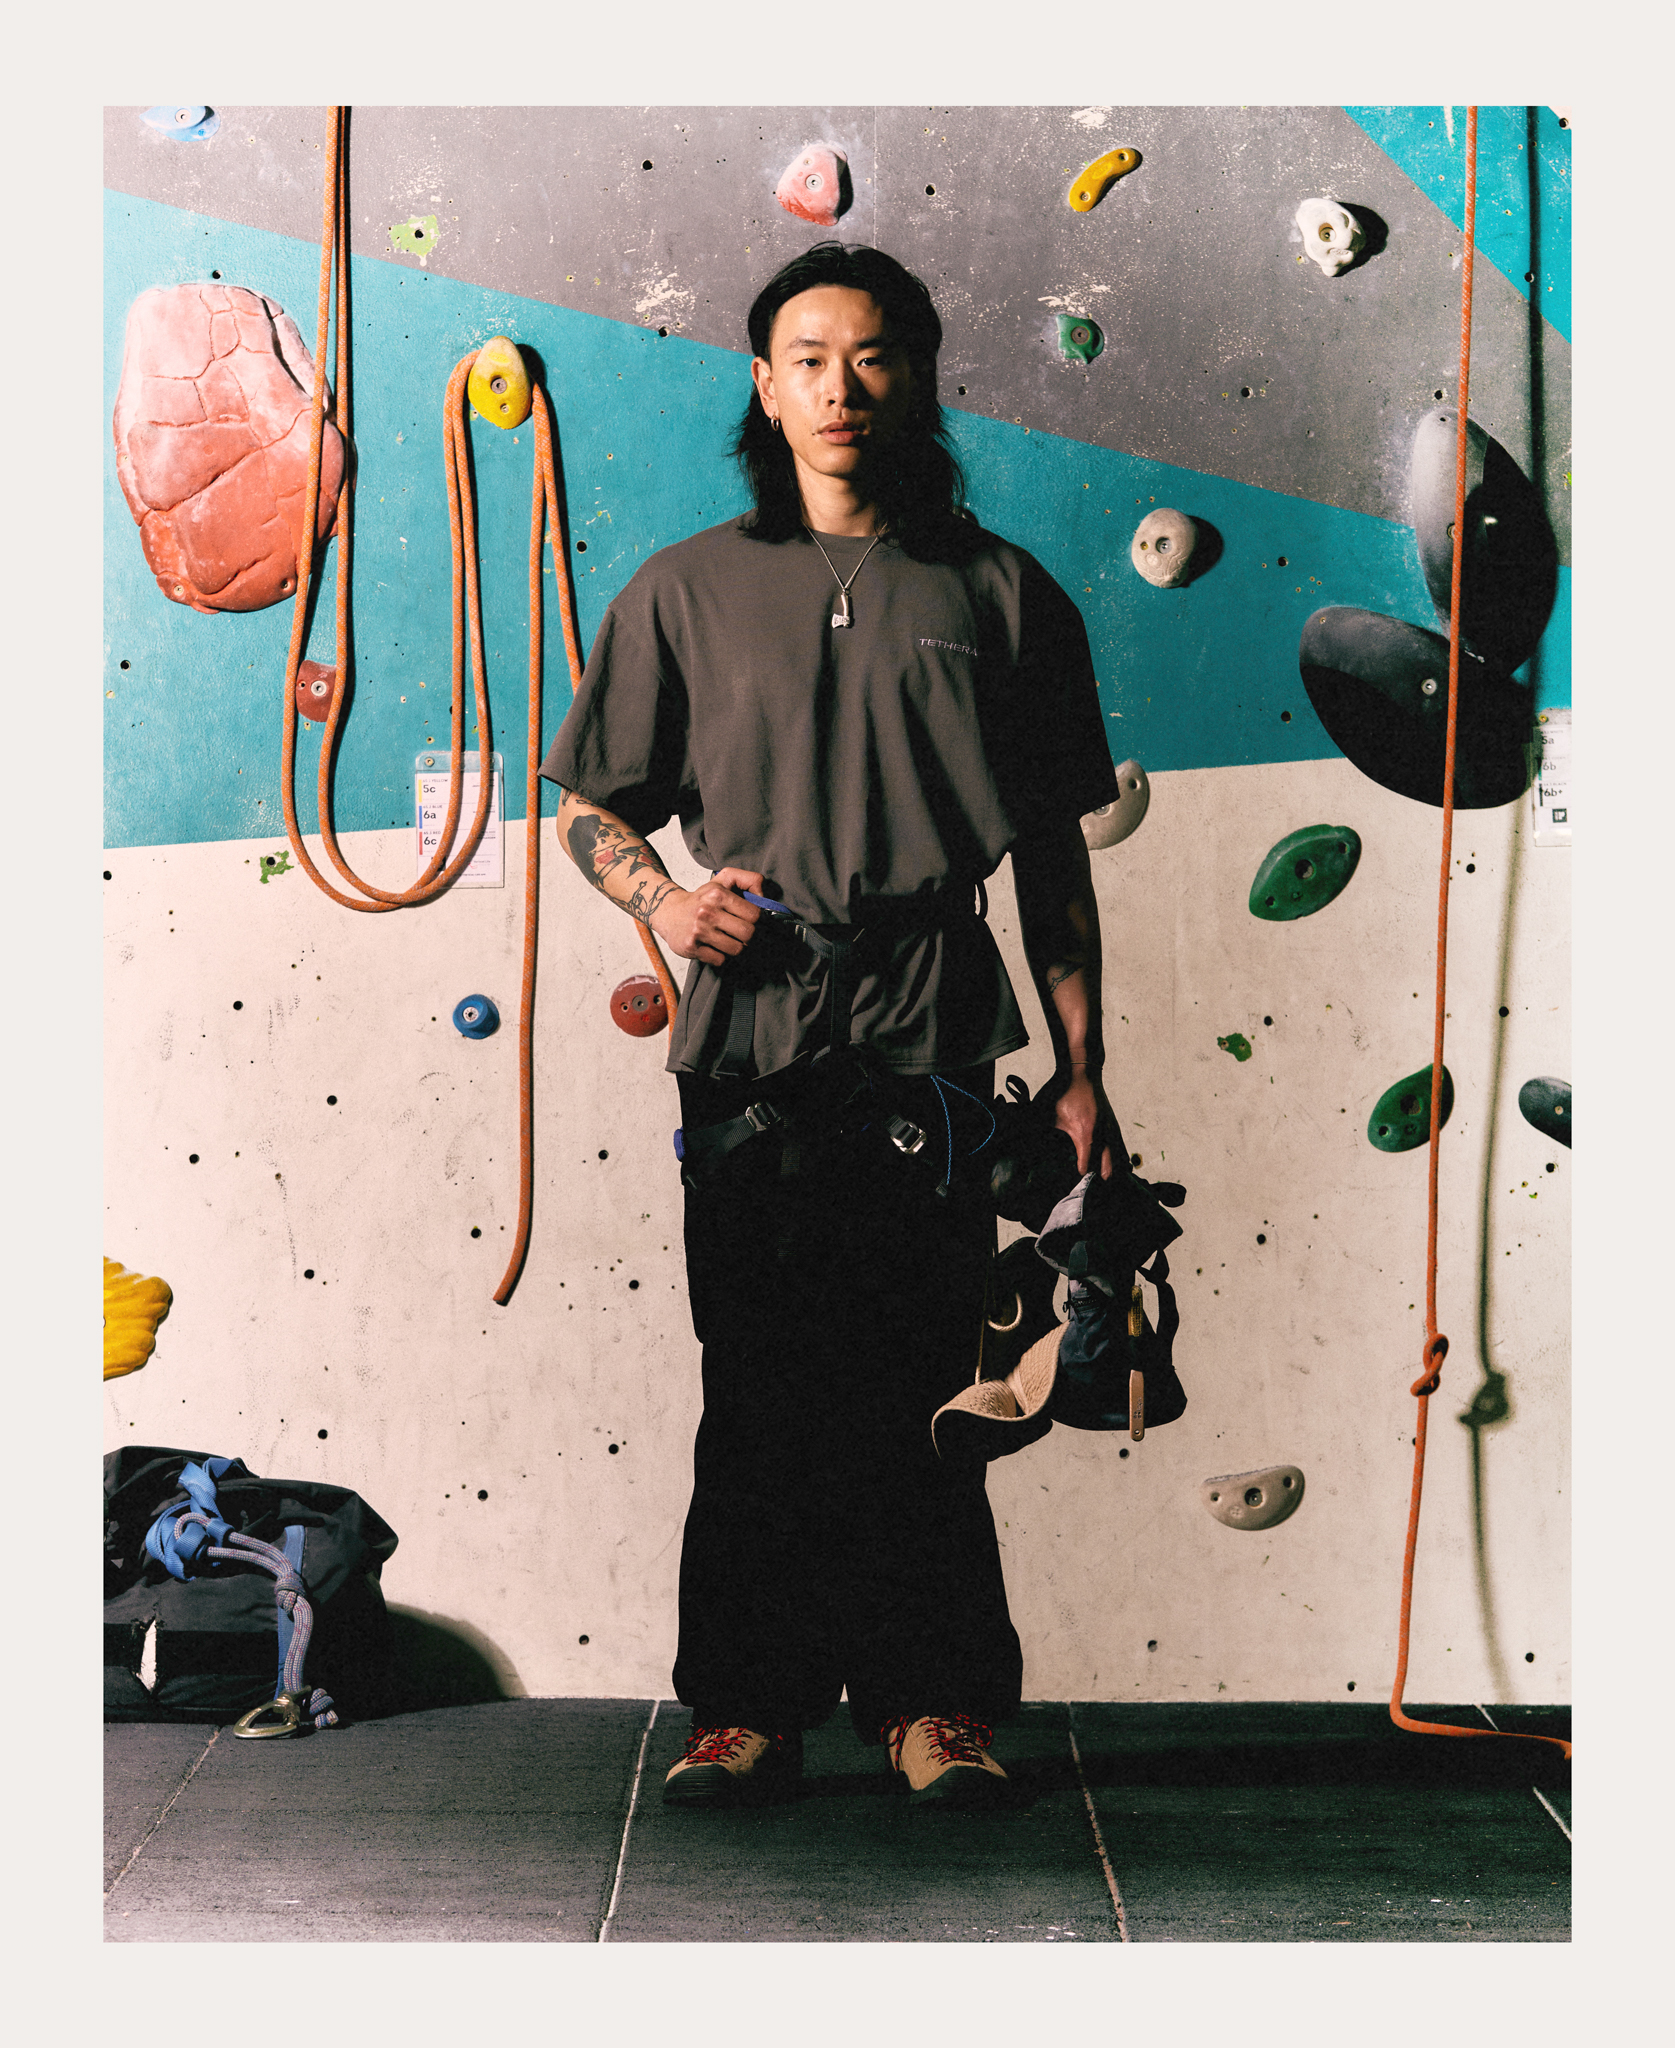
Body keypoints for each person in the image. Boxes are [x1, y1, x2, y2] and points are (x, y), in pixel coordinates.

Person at [540, 242, 1122, 1807]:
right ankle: (747, 1706)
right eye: (808, 358)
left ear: (916, 378)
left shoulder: (1003, 592)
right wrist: (665, 905)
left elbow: (1053, 857)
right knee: (760, 1386)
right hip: (750, 1041)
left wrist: (1081, 1071)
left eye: (871, 357)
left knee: (930, 1380)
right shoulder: (685, 588)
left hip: (935, 1036)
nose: (840, 387)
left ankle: (934, 1705)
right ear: (764, 383)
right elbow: (590, 804)